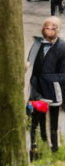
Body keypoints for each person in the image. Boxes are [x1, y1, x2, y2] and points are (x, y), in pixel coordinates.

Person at [26, 17, 65, 158]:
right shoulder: (38, 45)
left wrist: (47, 78)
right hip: (36, 90)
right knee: (35, 121)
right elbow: (31, 62)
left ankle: (54, 151)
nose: (49, 30)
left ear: (58, 30)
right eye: (46, 28)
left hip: (53, 92)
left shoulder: (62, 47)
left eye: (53, 28)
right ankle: (35, 151)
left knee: (52, 124)